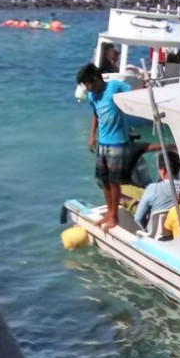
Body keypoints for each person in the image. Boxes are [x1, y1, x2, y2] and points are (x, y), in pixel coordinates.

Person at [76, 62, 132, 231]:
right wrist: (92, 136)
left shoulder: (115, 86)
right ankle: (109, 212)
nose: (88, 89)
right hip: (103, 142)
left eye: (88, 84)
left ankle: (114, 216)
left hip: (118, 141)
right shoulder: (93, 97)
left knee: (114, 182)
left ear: (95, 79)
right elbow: (95, 113)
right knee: (104, 181)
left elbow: (134, 94)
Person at [133, 151, 180, 229]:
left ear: (163, 170)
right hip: (178, 231)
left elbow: (138, 218)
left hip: (155, 236)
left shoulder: (153, 188)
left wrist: (146, 229)